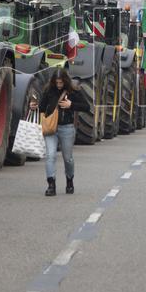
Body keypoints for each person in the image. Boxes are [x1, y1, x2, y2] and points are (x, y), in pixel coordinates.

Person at [29, 68, 88, 196]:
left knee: (68, 159)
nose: (59, 85)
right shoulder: (49, 90)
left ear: (66, 81)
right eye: (57, 82)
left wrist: (71, 105)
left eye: (61, 83)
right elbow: (43, 108)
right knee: (50, 156)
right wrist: (35, 107)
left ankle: (69, 181)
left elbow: (86, 107)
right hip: (51, 128)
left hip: (66, 128)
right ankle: (51, 184)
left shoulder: (72, 91)